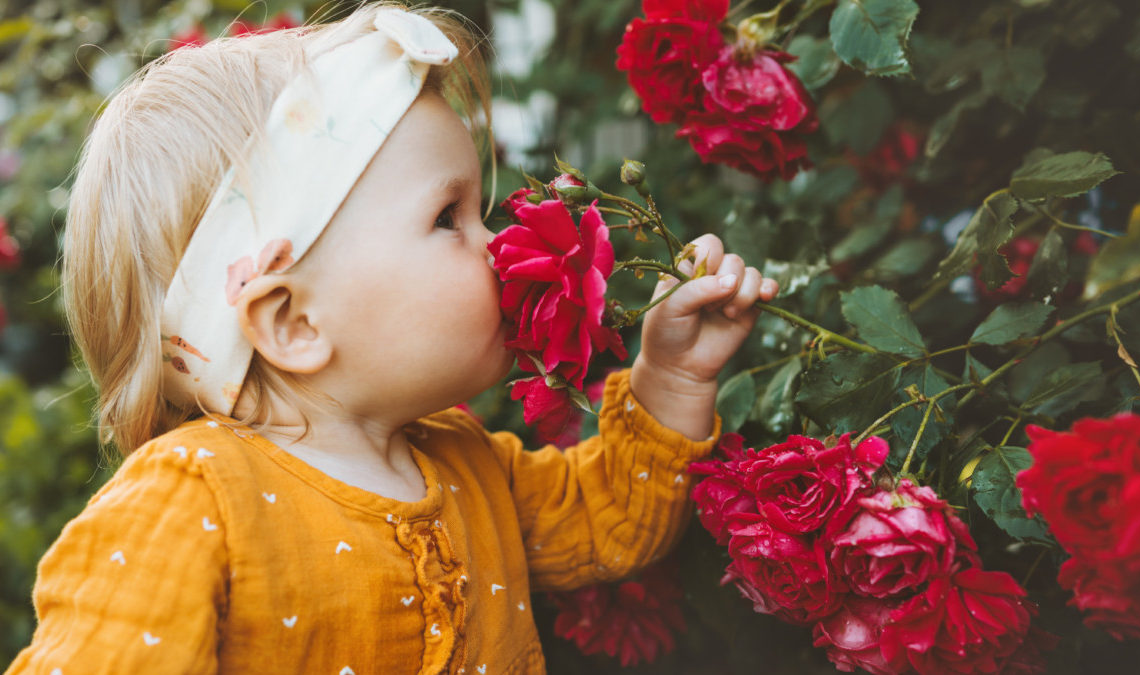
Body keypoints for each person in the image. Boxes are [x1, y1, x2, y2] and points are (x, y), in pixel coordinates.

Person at [7, 3, 778, 673]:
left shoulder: (464, 462)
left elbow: (609, 518)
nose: (497, 241)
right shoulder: (189, 504)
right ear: (292, 323)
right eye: (448, 217)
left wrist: (672, 379)